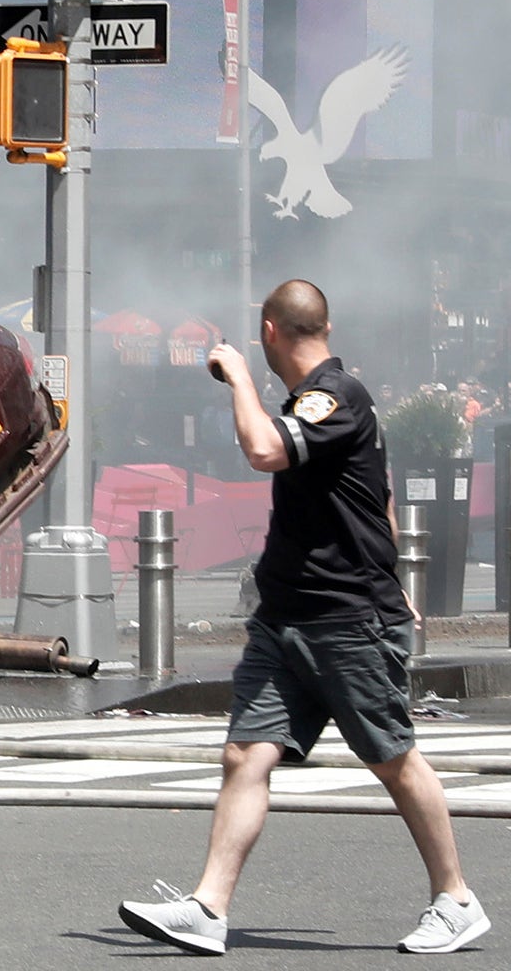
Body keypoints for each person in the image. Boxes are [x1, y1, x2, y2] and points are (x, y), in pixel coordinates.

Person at [119, 280, 490, 956]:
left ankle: (456, 899)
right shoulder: (319, 400)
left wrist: (234, 377)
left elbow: (264, 450)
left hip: (346, 618)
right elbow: (371, 494)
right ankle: (209, 908)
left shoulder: (334, 396)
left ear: (268, 333)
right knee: (244, 754)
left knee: (394, 759)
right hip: (287, 620)